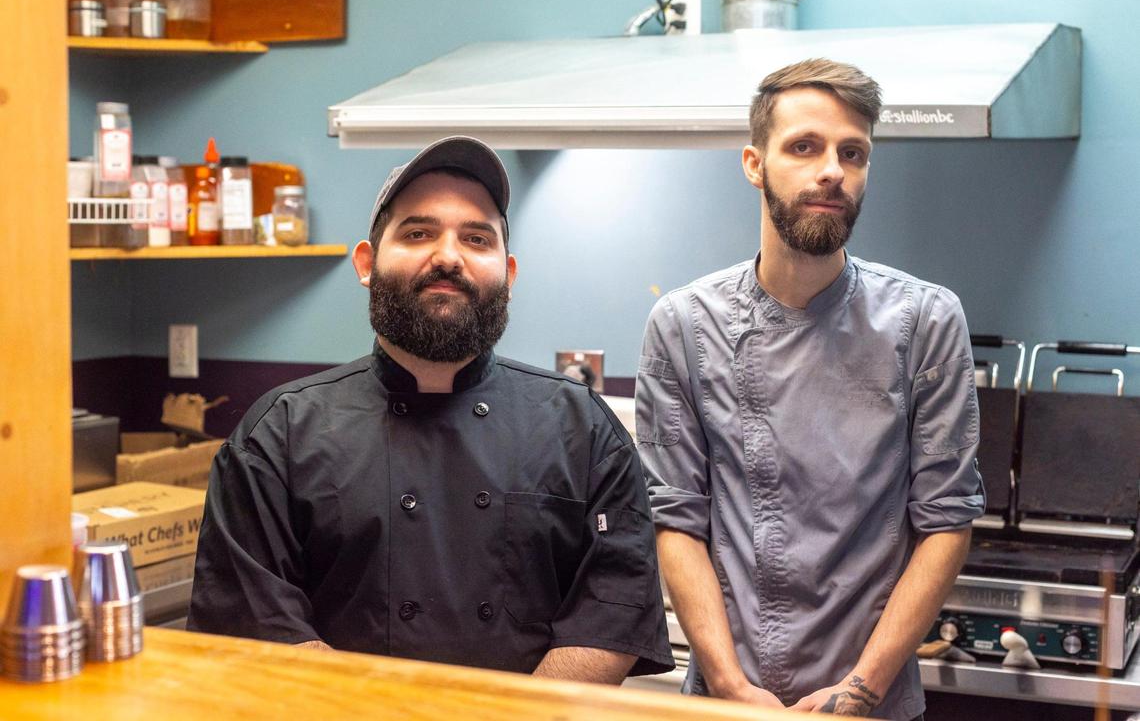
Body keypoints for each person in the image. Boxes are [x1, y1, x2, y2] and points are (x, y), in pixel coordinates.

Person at [188, 136, 673, 684]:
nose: (447, 256)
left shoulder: (583, 428)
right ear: (366, 264)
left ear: (508, 275)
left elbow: (611, 612)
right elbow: (258, 628)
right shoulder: (278, 433)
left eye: (476, 238)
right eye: (418, 233)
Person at [635, 59, 984, 719]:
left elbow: (947, 521)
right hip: (726, 704)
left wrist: (861, 693)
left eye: (853, 153)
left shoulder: (926, 321)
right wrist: (733, 690)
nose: (833, 171)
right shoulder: (683, 324)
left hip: (877, 703)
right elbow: (676, 520)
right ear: (753, 162)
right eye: (805, 147)